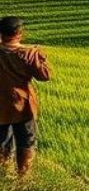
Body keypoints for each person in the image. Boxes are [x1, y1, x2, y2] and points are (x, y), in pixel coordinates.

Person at [0, 17, 51, 177]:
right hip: (24, 106)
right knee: (26, 141)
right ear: (20, 33)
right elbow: (45, 75)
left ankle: (3, 175)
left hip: (1, 106)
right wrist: (39, 56)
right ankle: (23, 178)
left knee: (2, 142)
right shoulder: (28, 54)